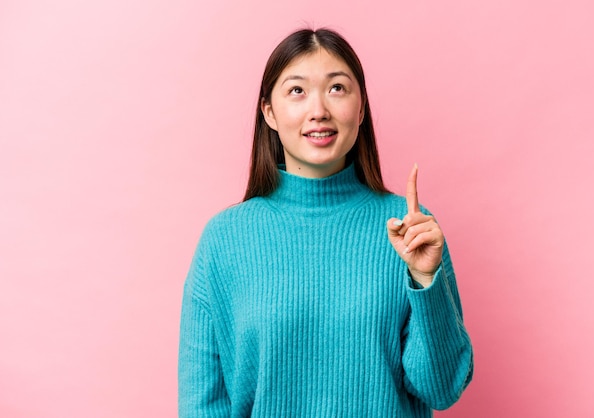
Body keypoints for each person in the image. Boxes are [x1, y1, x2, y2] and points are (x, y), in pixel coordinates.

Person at [178, 28, 473, 417]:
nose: (319, 110)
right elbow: (203, 404)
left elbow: (443, 388)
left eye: (337, 88)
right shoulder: (224, 240)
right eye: (297, 91)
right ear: (269, 112)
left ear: (362, 107)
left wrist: (425, 280)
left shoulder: (411, 232)